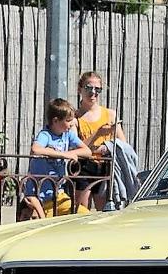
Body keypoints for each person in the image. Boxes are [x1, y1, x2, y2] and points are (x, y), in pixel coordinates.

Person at [23, 99, 92, 219]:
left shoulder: (68, 134)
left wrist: (70, 153)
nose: (71, 124)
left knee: (83, 215)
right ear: (55, 121)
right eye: (68, 120)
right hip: (40, 195)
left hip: (59, 194)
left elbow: (87, 151)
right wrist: (63, 155)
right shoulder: (45, 135)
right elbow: (36, 149)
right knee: (45, 224)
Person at [73, 71, 128, 210]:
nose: (93, 93)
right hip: (83, 167)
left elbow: (123, 144)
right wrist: (98, 134)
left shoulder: (109, 114)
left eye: (97, 89)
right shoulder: (75, 117)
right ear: (80, 89)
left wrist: (104, 147)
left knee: (104, 212)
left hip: (105, 167)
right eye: (88, 88)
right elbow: (75, 149)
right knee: (81, 211)